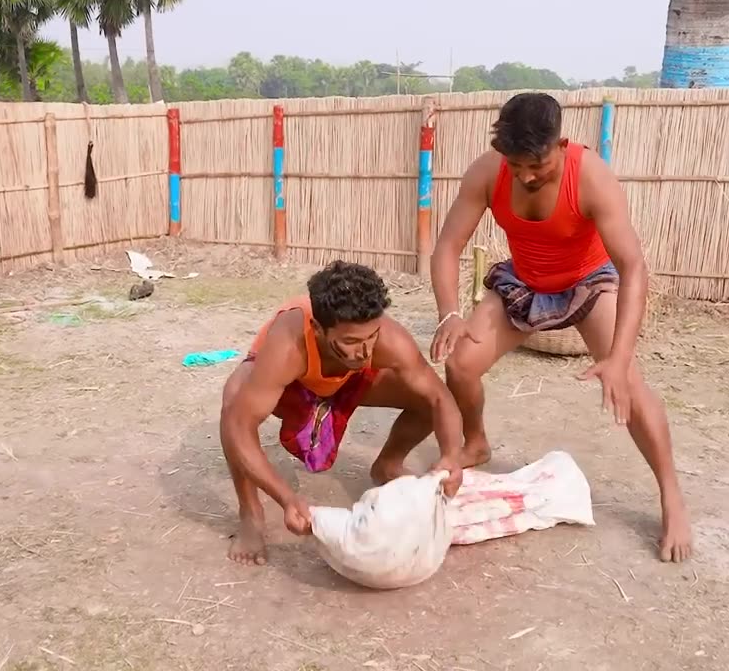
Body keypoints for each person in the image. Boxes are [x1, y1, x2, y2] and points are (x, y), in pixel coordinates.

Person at [428, 92, 693, 563]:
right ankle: (476, 442)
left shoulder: (591, 177)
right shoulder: (488, 173)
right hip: (525, 284)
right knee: (462, 362)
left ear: (561, 144)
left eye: (538, 164)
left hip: (589, 284)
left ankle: (671, 495)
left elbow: (633, 267)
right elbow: (447, 247)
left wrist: (618, 358)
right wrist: (450, 312)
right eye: (517, 165)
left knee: (628, 387)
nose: (527, 175)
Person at [219, 260, 464, 566]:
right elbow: (240, 427)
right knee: (234, 400)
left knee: (424, 395)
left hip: (349, 382)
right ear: (318, 329)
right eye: (350, 341)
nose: (364, 351)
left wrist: (452, 455)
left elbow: (440, 398)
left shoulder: (387, 340)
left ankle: (388, 466)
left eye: (371, 336)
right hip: (294, 388)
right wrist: (286, 498)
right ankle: (250, 513)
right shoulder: (288, 346)